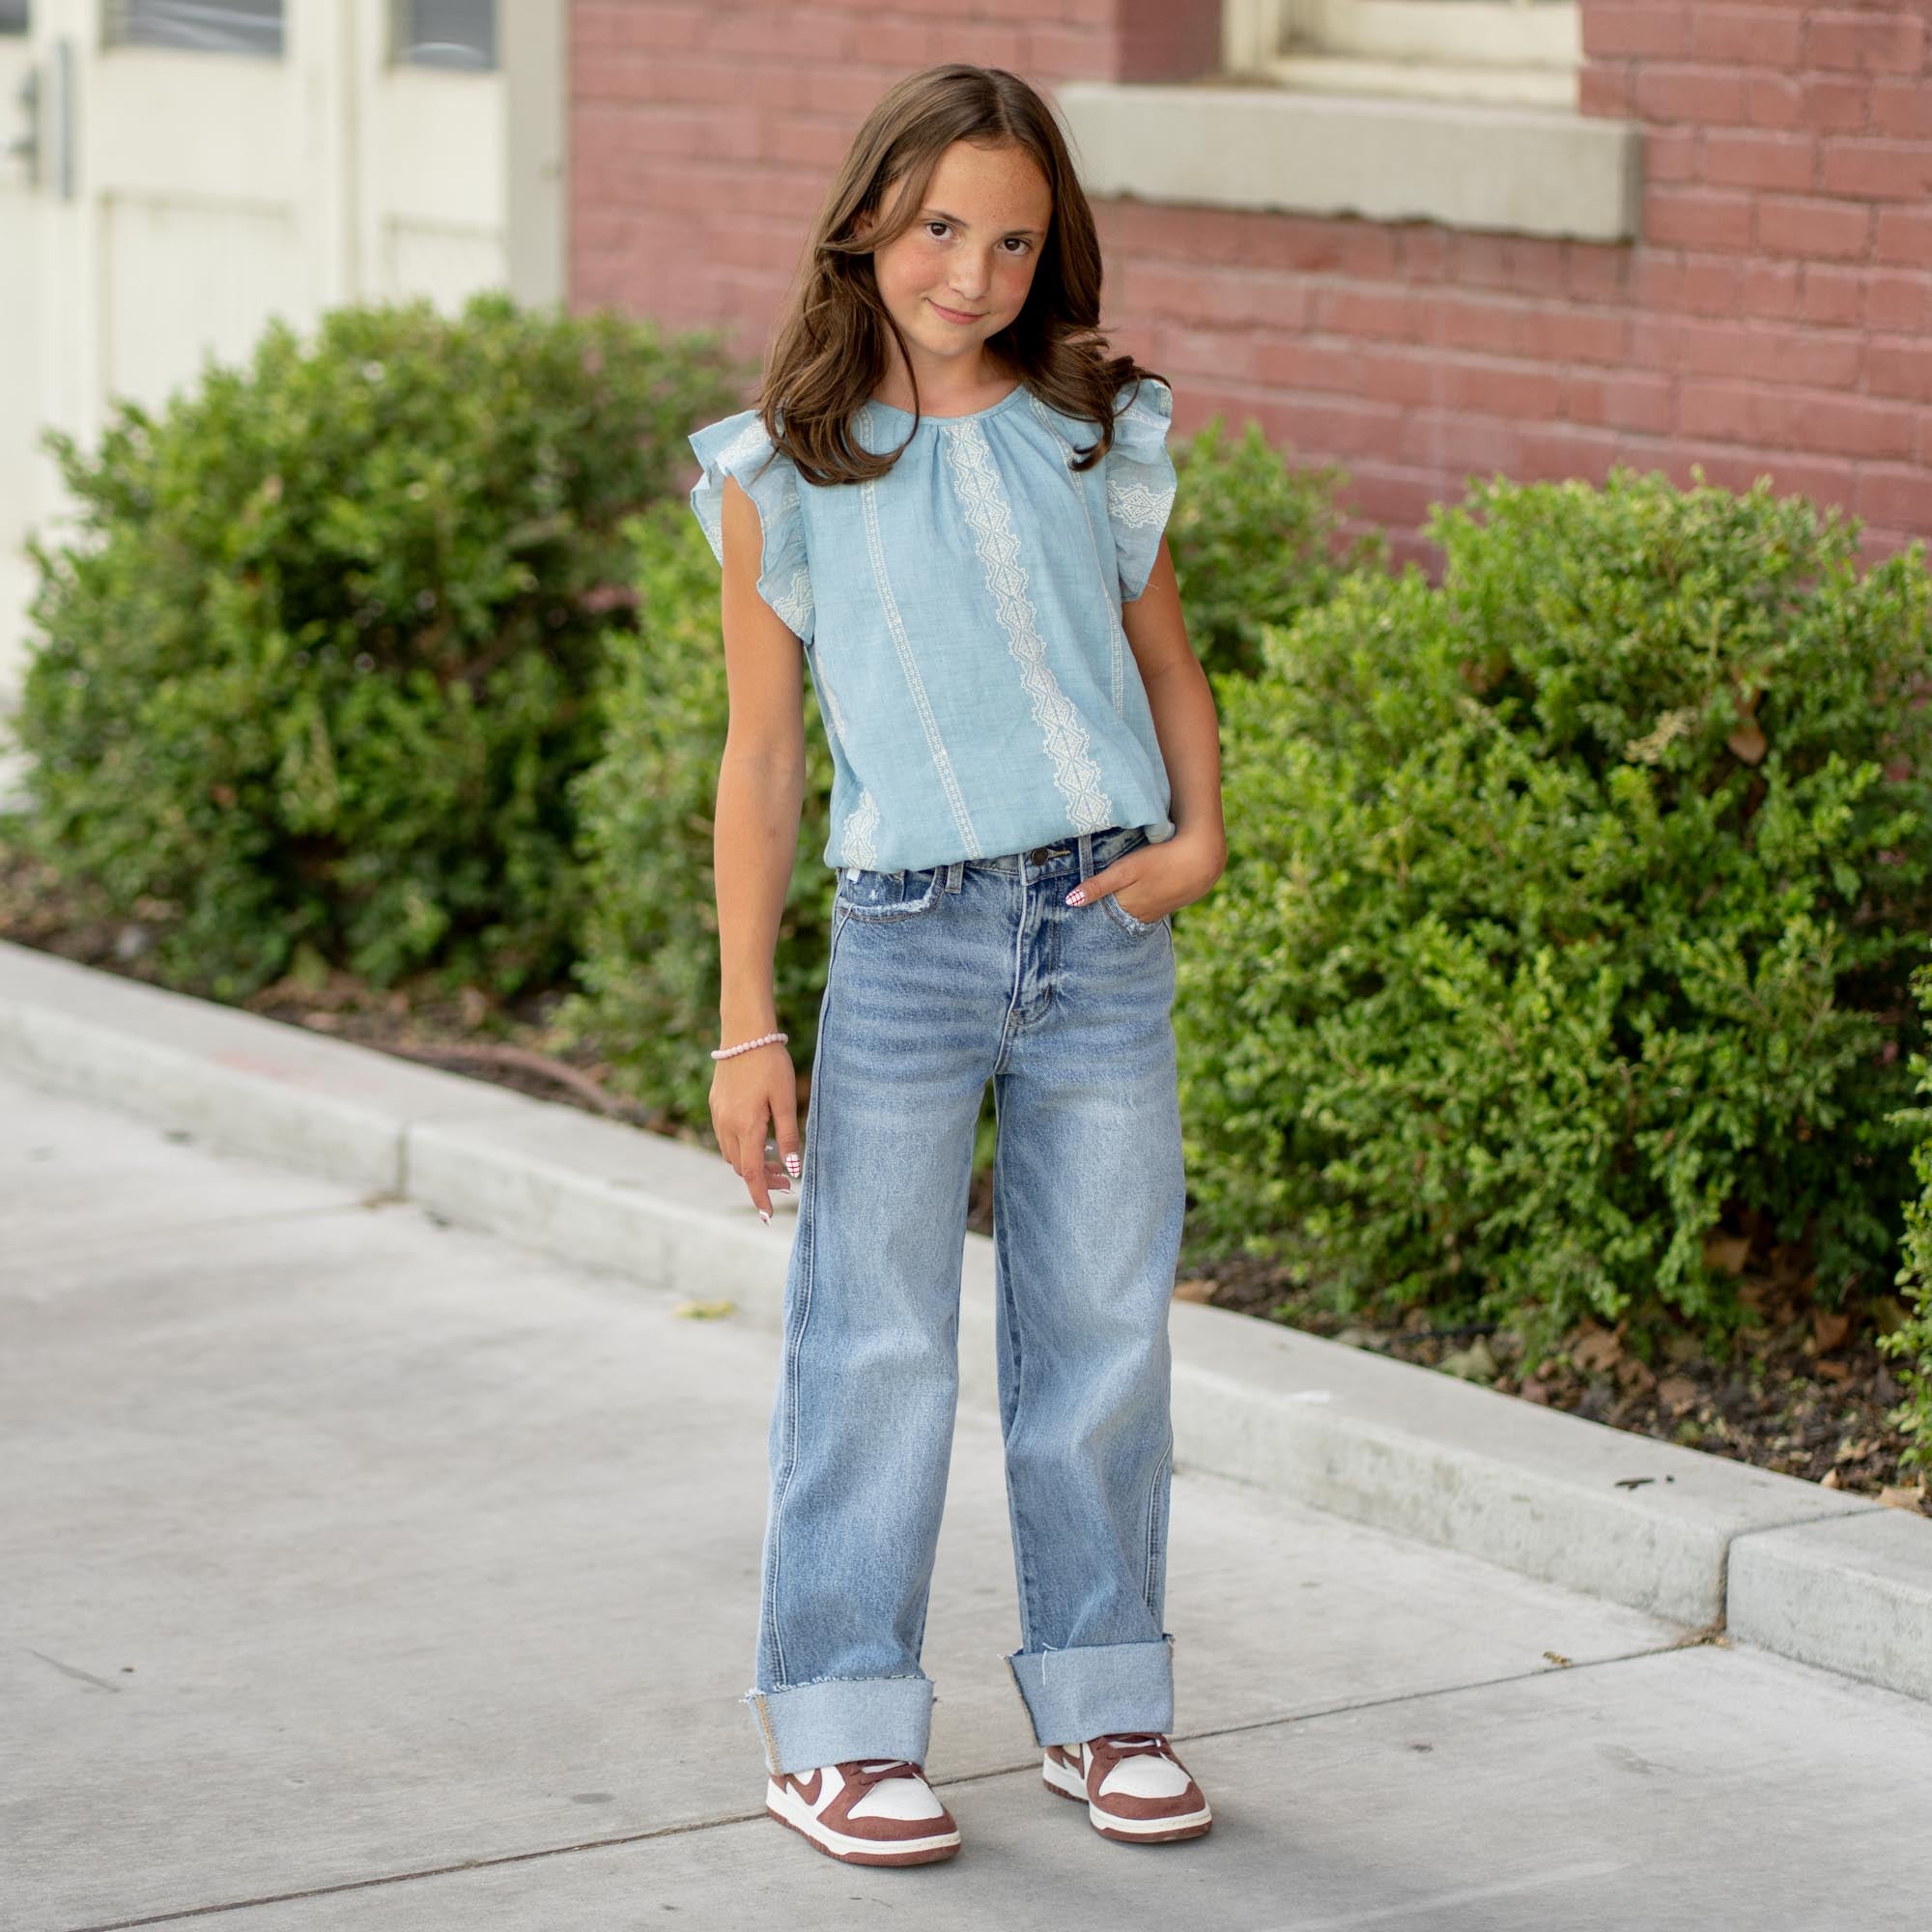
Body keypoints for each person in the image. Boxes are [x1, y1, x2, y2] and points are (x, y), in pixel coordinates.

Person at [686, 61, 1227, 1868]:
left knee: (1104, 1329)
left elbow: (1163, 660)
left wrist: (1199, 840)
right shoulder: (783, 471)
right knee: (878, 1340)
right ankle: (838, 1727)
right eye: (939, 229)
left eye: (1012, 241)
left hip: (1100, 933)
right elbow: (765, 762)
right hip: (909, 947)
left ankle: (1105, 1698)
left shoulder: (1093, 426)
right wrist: (745, 1025)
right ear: (866, 221)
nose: (974, 273)